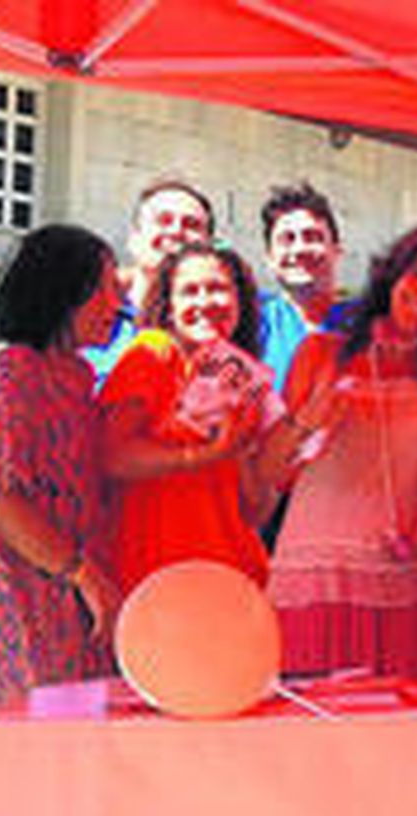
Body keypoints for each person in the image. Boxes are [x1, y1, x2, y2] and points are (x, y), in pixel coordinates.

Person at [270, 222, 417, 678]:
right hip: (319, 580)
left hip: (406, 582)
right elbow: (266, 475)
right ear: (393, 273)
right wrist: (304, 424)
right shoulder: (321, 353)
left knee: (400, 739)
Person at [0, 226, 123, 713]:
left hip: (75, 622)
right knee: (25, 766)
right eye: (105, 288)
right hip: (17, 616)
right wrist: (83, 573)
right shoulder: (13, 373)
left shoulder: (77, 379)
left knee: (74, 763)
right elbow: (0, 503)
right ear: (63, 291)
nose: (117, 303)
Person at [99, 244, 324, 593]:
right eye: (189, 291)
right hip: (155, 577)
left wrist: (249, 455)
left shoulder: (249, 382)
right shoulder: (153, 352)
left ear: (240, 301)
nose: (205, 302)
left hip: (233, 576)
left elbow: (256, 513)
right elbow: (111, 456)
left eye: (218, 288)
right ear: (170, 307)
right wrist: (199, 456)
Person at [83, 178, 216, 378]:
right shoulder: (82, 314)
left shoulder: (226, 325)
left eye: (192, 225)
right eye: (163, 220)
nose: (176, 231)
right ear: (134, 239)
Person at [257, 181, 348, 390]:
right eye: (287, 239)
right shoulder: (252, 325)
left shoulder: (368, 326)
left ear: (336, 250)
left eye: (312, 237)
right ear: (269, 257)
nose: (299, 249)